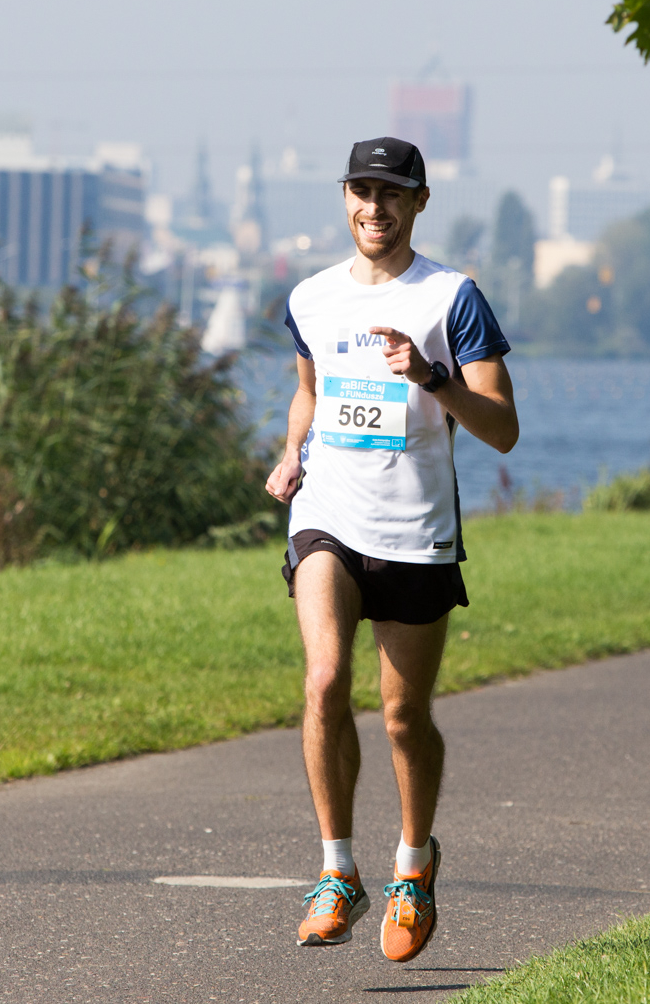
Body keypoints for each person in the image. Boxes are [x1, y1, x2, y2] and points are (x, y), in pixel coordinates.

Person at [265, 137, 519, 960]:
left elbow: (504, 428)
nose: (374, 208)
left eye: (391, 194)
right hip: (327, 513)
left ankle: (414, 866)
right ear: (344, 198)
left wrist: (435, 381)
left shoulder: (453, 298)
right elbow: (309, 393)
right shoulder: (310, 296)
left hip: (416, 530)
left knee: (404, 715)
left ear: (419, 202)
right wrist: (291, 452)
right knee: (325, 677)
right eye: (361, 192)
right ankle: (338, 872)